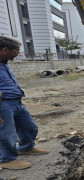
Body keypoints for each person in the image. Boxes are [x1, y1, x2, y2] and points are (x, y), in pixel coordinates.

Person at [0, 36, 49, 170]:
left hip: (16, 103)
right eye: (16, 50)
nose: (18, 53)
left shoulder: (3, 63)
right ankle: (6, 159)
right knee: (6, 134)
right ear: (5, 50)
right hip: (3, 105)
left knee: (30, 127)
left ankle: (26, 147)